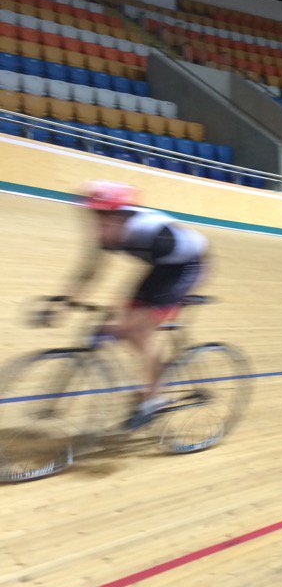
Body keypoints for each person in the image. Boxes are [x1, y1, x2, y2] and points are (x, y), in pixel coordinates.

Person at [52, 180, 209, 429]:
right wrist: (62, 300)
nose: (98, 225)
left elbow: (163, 289)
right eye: (95, 217)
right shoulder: (109, 234)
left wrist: (123, 326)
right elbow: (90, 271)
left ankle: (154, 397)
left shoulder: (151, 233)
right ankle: (155, 377)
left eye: (104, 218)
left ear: (122, 218)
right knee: (127, 323)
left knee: (137, 327)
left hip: (187, 266)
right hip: (163, 266)